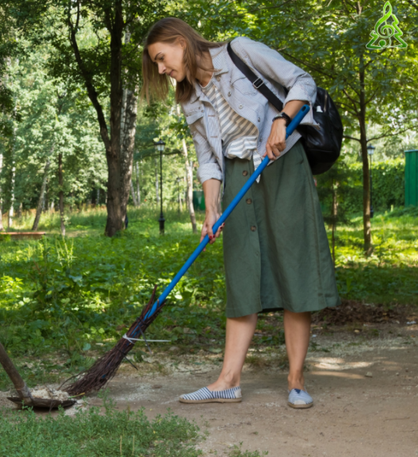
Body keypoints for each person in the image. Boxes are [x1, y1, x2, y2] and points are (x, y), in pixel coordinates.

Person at [141, 18, 339, 409]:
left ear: (181, 42)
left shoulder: (240, 50)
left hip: (280, 162)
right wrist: (211, 210)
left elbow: (302, 81)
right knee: (242, 272)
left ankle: (296, 381)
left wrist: (283, 119)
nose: (162, 70)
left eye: (162, 58)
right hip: (237, 174)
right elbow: (208, 160)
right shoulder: (189, 97)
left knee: (292, 267)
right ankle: (227, 381)